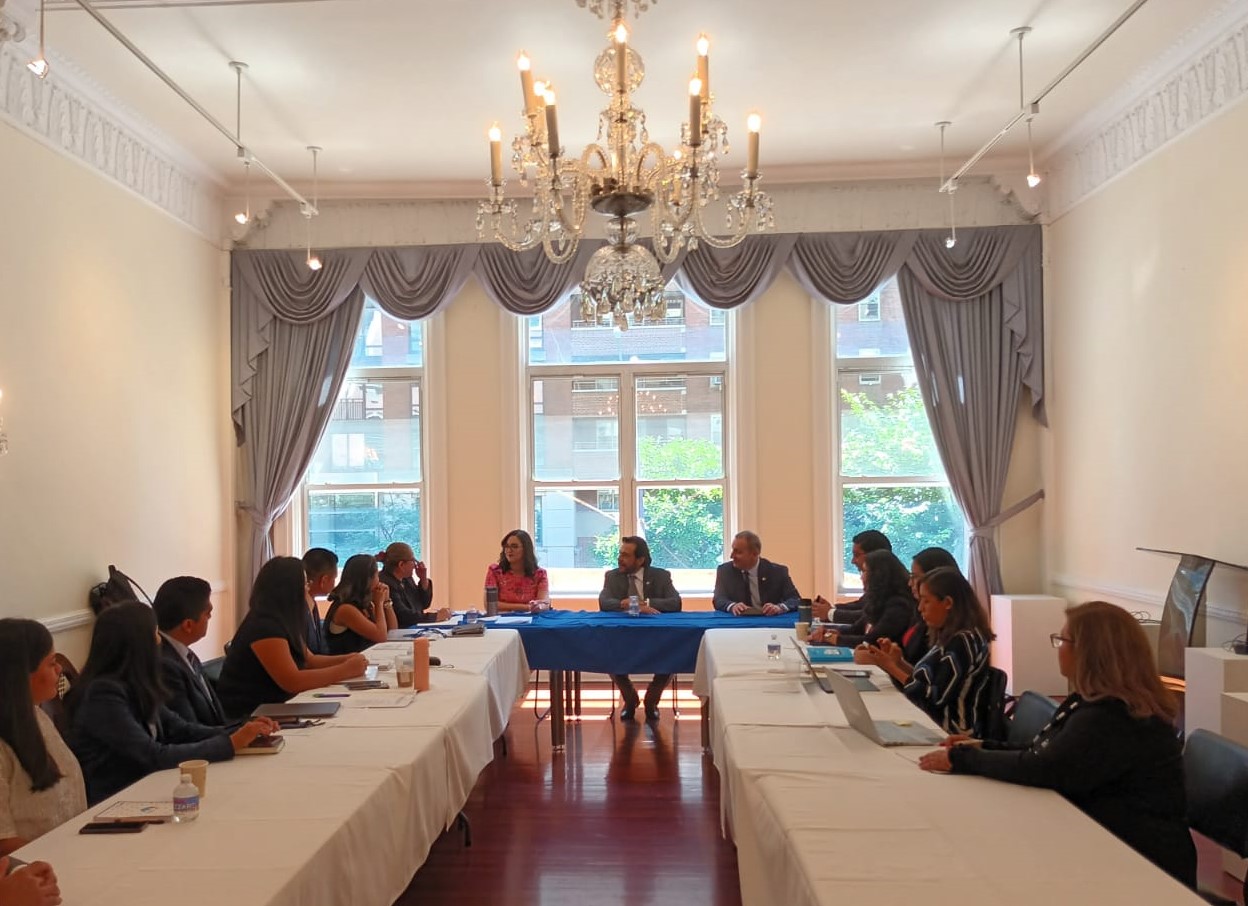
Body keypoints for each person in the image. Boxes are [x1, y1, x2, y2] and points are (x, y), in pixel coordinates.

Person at [919, 601, 1196, 888]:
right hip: (1106, 838)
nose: (1059, 648)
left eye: (1063, 640)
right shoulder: (1094, 701)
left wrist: (965, 759)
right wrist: (982, 746)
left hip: (1139, 862)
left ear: (1089, 652)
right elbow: (1045, 750)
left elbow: (1044, 767)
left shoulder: (1114, 716)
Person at [66, 602, 277, 805]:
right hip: (118, 800)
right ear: (140, 645)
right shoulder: (103, 695)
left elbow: (182, 729)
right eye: (155, 634)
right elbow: (152, 755)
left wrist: (243, 729)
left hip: (148, 787)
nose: (160, 641)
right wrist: (230, 744)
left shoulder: (136, 684)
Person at [216, 557, 370, 719]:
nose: (307, 589)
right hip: (254, 713)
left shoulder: (284, 620)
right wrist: (345, 670)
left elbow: (309, 660)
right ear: (290, 590)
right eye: (305, 584)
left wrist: (348, 658)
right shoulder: (264, 626)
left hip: (279, 705)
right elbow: (292, 681)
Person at [856, 567, 995, 735]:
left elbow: (934, 698)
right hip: (934, 720)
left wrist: (890, 667)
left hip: (952, 731)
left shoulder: (964, 641)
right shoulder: (949, 635)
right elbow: (929, 681)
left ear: (948, 603)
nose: (920, 608)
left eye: (926, 601)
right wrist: (898, 662)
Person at [0, 620, 86, 855]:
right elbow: (4, 843)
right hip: (35, 867)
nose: (59, 670)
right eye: (51, 663)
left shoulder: (36, 715)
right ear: (20, 675)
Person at [598, 536, 683, 721]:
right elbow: (604, 603)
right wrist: (630, 605)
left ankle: (652, 700)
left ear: (640, 560)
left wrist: (645, 604)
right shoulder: (612, 576)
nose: (620, 559)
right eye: (620, 554)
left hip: (657, 636)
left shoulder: (661, 576)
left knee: (673, 653)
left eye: (625, 555)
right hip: (623, 635)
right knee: (607, 652)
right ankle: (630, 699)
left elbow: (675, 603)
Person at [152, 576, 227, 727]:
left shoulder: (185, 654)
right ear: (188, 625)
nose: (210, 616)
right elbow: (188, 729)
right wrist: (235, 735)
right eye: (207, 613)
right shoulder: (166, 667)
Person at [814, 549, 914, 648]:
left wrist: (829, 637)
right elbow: (856, 629)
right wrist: (830, 632)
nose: (861, 578)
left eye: (864, 571)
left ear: (878, 575)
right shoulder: (878, 600)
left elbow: (870, 642)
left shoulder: (898, 606)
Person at [712, 531, 801, 615]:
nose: (731, 556)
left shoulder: (777, 572)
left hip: (770, 621)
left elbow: (795, 599)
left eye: (738, 552)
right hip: (738, 621)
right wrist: (732, 606)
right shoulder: (725, 571)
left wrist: (780, 607)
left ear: (755, 554)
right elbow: (718, 599)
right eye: (733, 550)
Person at [323, 553, 397, 654]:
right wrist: (379, 604)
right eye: (377, 575)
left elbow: (393, 632)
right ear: (367, 580)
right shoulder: (346, 609)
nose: (379, 580)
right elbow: (380, 637)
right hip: (347, 661)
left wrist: (387, 602)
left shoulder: (365, 604)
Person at [814, 529, 891, 622]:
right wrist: (830, 608)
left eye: (857, 555)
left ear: (874, 555)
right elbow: (861, 605)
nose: (852, 561)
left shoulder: (891, 584)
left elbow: (868, 616)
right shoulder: (880, 580)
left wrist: (830, 613)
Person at [378, 542, 449, 626]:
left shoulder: (406, 579)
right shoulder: (385, 584)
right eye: (413, 560)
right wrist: (435, 616)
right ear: (401, 564)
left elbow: (423, 604)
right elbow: (404, 616)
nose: (415, 565)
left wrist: (423, 579)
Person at [485, 530, 549, 612]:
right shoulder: (495, 571)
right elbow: (490, 605)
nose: (509, 550)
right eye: (506, 546)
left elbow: (543, 603)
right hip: (502, 618)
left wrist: (540, 606)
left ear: (526, 549)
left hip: (532, 618)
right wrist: (527, 607)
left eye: (514, 546)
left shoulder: (540, 574)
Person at [301, 547, 339, 656]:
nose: (334, 584)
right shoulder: (299, 609)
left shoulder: (311, 603)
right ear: (324, 580)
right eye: (334, 579)